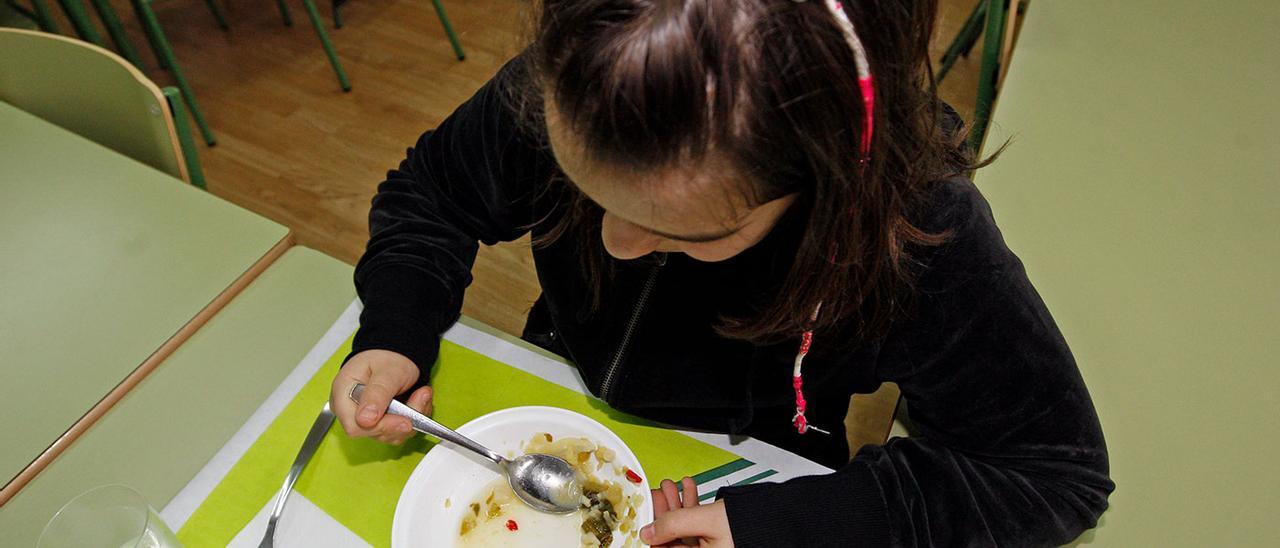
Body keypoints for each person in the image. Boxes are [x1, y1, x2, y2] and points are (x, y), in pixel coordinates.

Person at [328, 0, 1114, 545]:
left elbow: (1053, 473)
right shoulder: (581, 79)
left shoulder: (916, 236)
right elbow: (433, 196)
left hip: (769, 458)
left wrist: (787, 527)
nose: (616, 245)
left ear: (824, 184)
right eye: (585, 189)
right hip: (562, 378)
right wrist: (397, 326)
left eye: (690, 233)